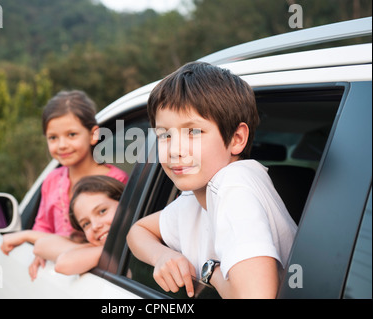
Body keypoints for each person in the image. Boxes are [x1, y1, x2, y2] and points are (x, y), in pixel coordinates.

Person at [126, 62, 297, 299]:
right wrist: (162, 256)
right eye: (164, 135)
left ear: (237, 139)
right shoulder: (194, 199)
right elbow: (137, 231)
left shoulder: (234, 184)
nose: (174, 149)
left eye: (193, 132)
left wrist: (210, 272)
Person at [0, 90, 128, 272]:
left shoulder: (116, 180)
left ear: (93, 135)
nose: (62, 145)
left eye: (71, 135)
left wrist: (29, 237)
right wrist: (41, 250)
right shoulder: (52, 180)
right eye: (53, 137)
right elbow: (43, 226)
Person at [31, 175, 125, 278]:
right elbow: (42, 247)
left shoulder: (141, 234)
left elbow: (62, 263)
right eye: (86, 224)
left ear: (125, 204)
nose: (94, 226)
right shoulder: (98, 246)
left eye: (102, 211)